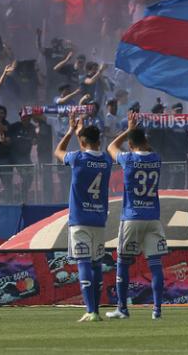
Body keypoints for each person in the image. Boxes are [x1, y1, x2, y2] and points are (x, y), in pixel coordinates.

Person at [106, 112, 166, 320]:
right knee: (155, 265)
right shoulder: (157, 159)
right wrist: (137, 135)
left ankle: (122, 309)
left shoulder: (128, 159)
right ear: (147, 143)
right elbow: (148, 149)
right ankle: (157, 310)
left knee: (123, 262)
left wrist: (128, 130)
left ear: (130, 145)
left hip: (132, 217)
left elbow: (111, 147)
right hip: (153, 218)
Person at [54, 116, 111, 322]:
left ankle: (90, 311)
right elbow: (92, 146)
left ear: (82, 141)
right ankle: (95, 310)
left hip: (79, 220)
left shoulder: (77, 158)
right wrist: (81, 133)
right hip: (99, 220)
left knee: (83, 263)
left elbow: (58, 151)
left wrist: (70, 131)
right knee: (96, 265)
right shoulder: (106, 160)